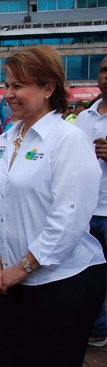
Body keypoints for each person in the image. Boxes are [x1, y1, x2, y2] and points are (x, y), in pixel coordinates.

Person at [0, 46, 105, 367]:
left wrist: (24, 267)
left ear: (49, 88)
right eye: (6, 85)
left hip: (59, 281)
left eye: (19, 86)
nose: (8, 94)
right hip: (7, 278)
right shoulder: (6, 138)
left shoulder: (67, 140)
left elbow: (68, 219)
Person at [76, 55, 107, 347]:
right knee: (90, 274)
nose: (106, 76)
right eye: (103, 70)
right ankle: (95, 328)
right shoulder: (85, 117)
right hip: (85, 211)